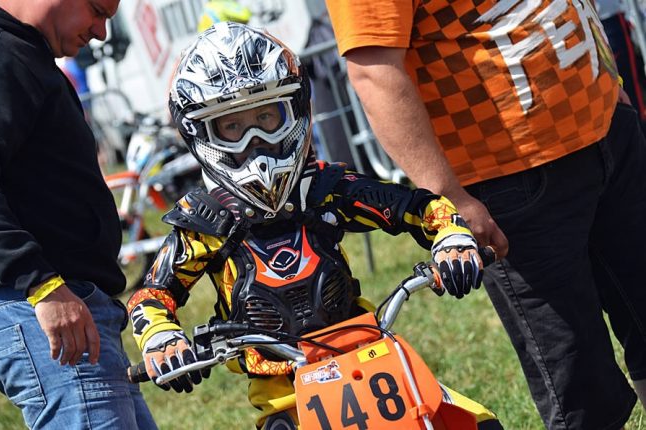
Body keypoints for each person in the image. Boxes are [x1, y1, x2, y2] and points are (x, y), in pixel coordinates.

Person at [126, 22, 502, 430]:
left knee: (475, 422)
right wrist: (162, 339)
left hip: (368, 352)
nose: (254, 139)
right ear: (202, 133)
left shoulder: (326, 189)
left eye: (266, 116)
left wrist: (451, 238)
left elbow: (414, 205)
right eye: (232, 127)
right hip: (282, 391)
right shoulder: (205, 221)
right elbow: (152, 294)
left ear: (295, 109)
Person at [324, 1, 646, 429]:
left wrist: (606, 77)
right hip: (510, 179)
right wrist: (449, 197)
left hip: (608, 127)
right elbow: (374, 70)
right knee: (582, 383)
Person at [0, 0, 157, 428]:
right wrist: (42, 285)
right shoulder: (4, 55)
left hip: (69, 308)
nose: (101, 32)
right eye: (97, 10)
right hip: (41, 307)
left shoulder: (24, 54)